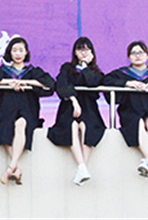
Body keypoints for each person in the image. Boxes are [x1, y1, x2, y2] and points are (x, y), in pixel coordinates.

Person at [0, 36, 54, 185]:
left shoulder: (33, 72)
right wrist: (9, 82)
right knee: (6, 128)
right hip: (6, 110)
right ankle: (16, 169)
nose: (18, 53)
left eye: (21, 50)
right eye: (14, 50)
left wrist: (25, 82)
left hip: (28, 109)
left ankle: (10, 167)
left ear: (26, 52)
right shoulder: (3, 71)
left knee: (21, 124)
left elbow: (50, 84)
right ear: (9, 52)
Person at [103, 40, 148, 177]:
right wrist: (127, 83)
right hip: (130, 111)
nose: (137, 55)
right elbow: (106, 81)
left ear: (147, 55)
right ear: (128, 57)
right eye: (133, 53)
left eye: (140, 52)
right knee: (138, 124)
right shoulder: (122, 73)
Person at [46, 37, 105, 185]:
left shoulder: (96, 72)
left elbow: (93, 84)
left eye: (87, 49)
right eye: (80, 49)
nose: (83, 52)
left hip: (89, 109)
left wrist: (85, 67)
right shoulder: (67, 68)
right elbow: (61, 84)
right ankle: (82, 167)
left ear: (92, 52)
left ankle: (82, 168)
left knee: (87, 127)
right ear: (75, 53)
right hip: (69, 108)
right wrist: (74, 100)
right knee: (71, 126)